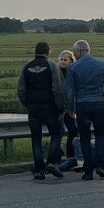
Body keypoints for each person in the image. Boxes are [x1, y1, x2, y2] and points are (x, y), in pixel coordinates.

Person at [65, 39, 104, 181]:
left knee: (85, 138)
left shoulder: (74, 67)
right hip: (99, 103)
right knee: (100, 136)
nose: (74, 55)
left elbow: (69, 90)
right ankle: (101, 166)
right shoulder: (102, 64)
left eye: (74, 52)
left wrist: (69, 108)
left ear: (79, 51)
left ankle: (88, 171)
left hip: (82, 105)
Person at [18, 42, 65, 180]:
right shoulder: (52, 66)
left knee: (36, 138)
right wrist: (60, 107)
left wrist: (27, 103)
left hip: (33, 108)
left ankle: (39, 170)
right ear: (48, 52)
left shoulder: (27, 67)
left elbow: (21, 89)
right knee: (57, 133)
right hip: (49, 107)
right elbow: (58, 88)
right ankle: (51, 162)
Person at [56, 50, 83, 172]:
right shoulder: (56, 73)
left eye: (65, 59)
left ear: (71, 61)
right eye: (61, 59)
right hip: (58, 108)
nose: (62, 62)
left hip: (69, 108)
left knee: (73, 131)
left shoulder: (73, 73)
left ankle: (71, 157)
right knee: (58, 132)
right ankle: (58, 158)